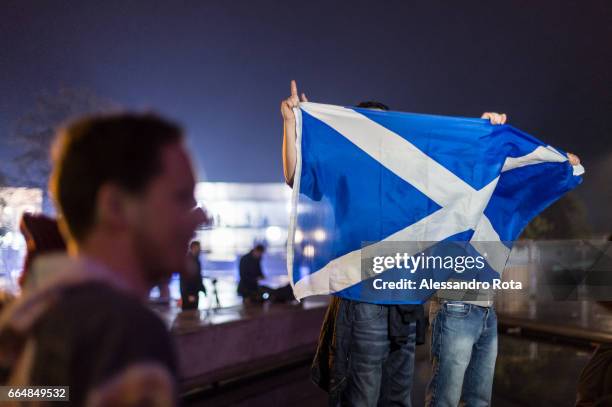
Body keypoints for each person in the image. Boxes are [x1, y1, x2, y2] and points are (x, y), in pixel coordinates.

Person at [0, 113, 206, 406]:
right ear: (115, 206)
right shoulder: (126, 334)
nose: (200, 216)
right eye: (181, 197)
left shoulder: (32, 316)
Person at [180, 240, 207, 310]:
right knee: (189, 311)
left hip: (194, 292)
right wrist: (189, 295)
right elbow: (186, 279)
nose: (200, 250)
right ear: (193, 248)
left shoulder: (196, 260)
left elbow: (197, 276)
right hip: (189, 293)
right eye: (198, 248)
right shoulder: (189, 260)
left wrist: (202, 288)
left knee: (193, 310)